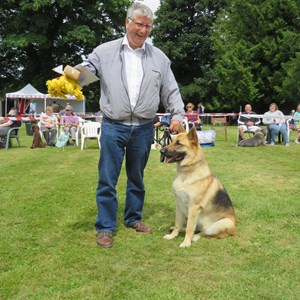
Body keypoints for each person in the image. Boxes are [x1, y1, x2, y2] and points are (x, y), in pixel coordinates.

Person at [76, 3, 184, 248]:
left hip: (144, 127)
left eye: (147, 26)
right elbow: (86, 71)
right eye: (139, 24)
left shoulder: (159, 57)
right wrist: (71, 77)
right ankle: (105, 227)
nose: (143, 30)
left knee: (137, 177)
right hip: (114, 125)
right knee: (107, 178)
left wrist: (177, 114)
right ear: (127, 22)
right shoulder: (104, 51)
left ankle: (133, 218)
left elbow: (171, 89)